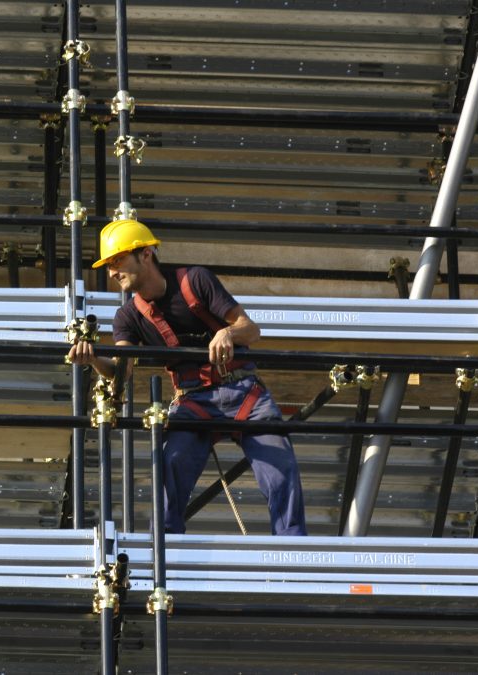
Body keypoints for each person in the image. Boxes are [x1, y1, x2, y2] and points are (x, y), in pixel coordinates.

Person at [68, 218, 306, 535]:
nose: (112, 272)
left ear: (146, 254)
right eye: (109, 264)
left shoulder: (195, 280)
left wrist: (228, 333)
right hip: (193, 401)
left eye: (117, 260)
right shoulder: (128, 317)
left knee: (281, 470)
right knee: (169, 469)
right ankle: (166, 557)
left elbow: (251, 330)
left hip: (244, 392)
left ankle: (291, 552)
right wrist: (95, 360)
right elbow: (120, 372)